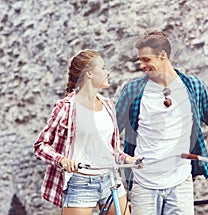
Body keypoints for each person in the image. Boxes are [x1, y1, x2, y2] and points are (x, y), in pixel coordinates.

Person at [115, 30, 208, 215]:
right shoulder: (133, 90)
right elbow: (111, 128)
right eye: (140, 60)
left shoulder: (192, 86)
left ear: (163, 55)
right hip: (144, 182)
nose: (142, 65)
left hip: (180, 181)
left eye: (146, 59)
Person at [34, 49, 139, 215]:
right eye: (103, 68)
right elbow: (40, 145)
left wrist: (127, 158)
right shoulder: (66, 107)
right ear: (89, 74)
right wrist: (62, 160)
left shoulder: (108, 105)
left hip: (111, 179)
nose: (107, 72)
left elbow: (111, 149)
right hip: (81, 183)